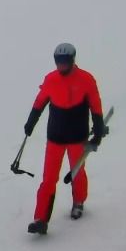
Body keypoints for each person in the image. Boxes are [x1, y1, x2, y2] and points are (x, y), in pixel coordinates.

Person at [23, 42, 106, 234]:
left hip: (78, 135)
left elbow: (95, 104)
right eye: (58, 62)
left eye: (64, 62)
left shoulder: (86, 79)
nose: (60, 66)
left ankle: (79, 202)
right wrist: (31, 122)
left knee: (77, 172)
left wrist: (99, 128)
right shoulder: (51, 80)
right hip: (56, 136)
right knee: (48, 178)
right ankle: (41, 218)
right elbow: (39, 102)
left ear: (71, 60)